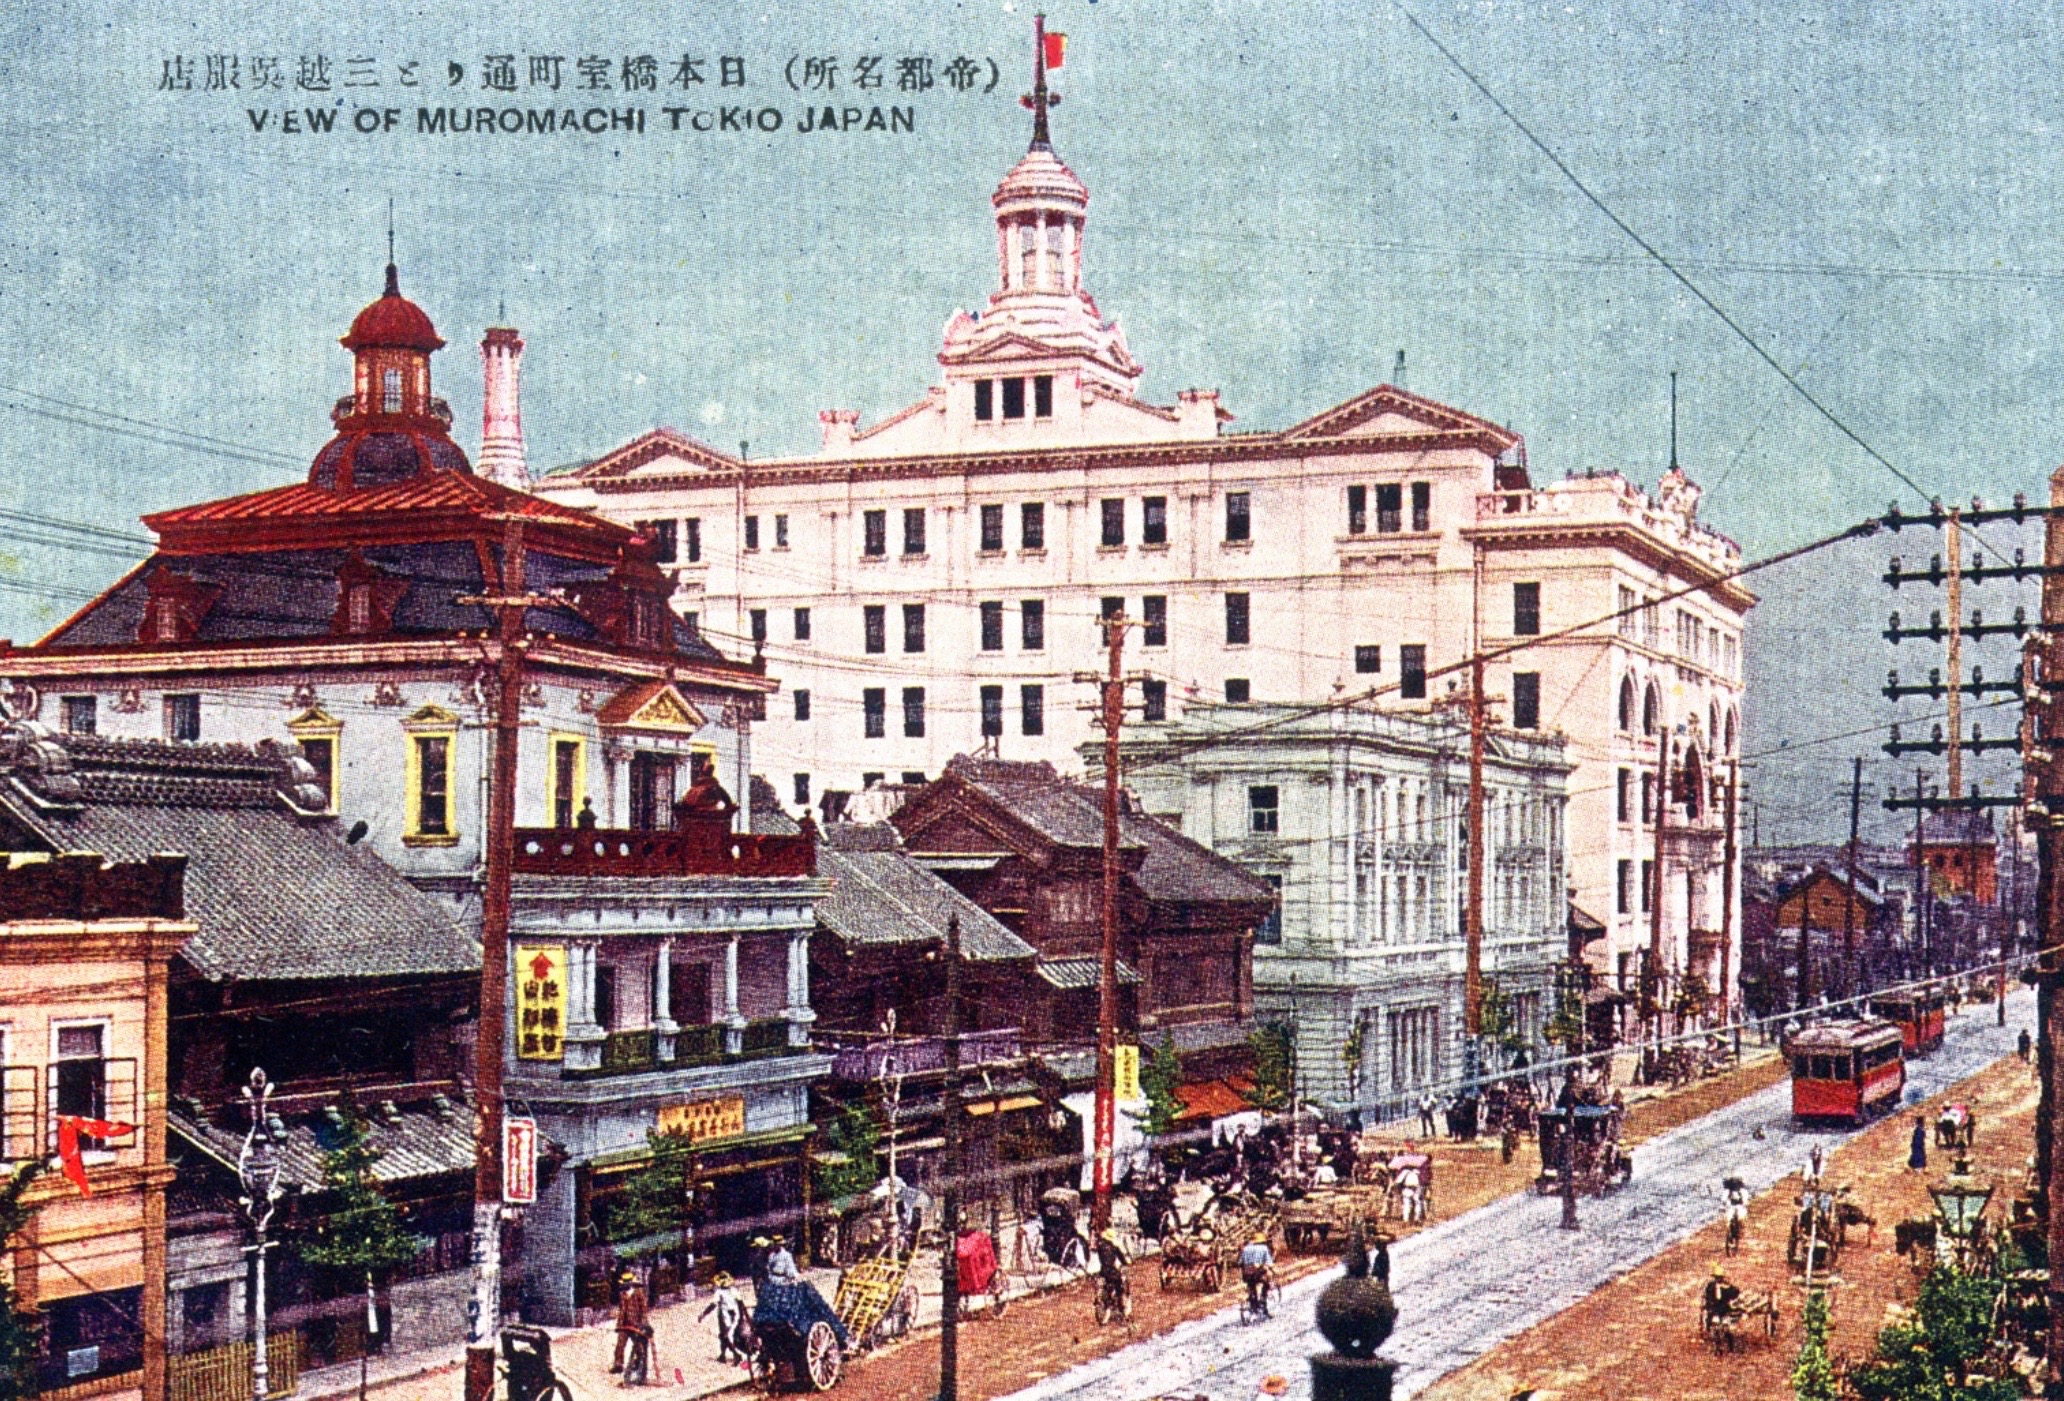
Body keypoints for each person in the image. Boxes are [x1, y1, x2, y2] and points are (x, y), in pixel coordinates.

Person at [699, 1271, 749, 1365]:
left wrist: (703, 1314)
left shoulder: (719, 1292)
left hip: (725, 1315)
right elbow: (741, 1303)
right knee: (723, 1335)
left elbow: (713, 1305)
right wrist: (744, 1316)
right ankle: (722, 1355)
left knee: (725, 1336)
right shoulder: (734, 1290)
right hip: (735, 1314)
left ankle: (736, 1354)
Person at [611, 1268, 652, 1381]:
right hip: (625, 1324)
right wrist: (619, 1324)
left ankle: (637, 1363)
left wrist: (642, 1324)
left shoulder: (638, 1294)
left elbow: (643, 1310)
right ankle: (618, 1364)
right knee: (620, 1344)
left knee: (638, 1346)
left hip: (636, 1324)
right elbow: (622, 1310)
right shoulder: (623, 1294)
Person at [1093, 1227, 1129, 1315]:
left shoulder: (1100, 1246)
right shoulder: (1114, 1248)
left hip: (1103, 1271)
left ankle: (1107, 1300)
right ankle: (1121, 1306)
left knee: (1105, 1285)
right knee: (1119, 1285)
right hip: (1111, 1271)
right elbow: (1122, 1259)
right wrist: (1125, 1263)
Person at [1239, 1233, 1275, 1313]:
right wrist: (1271, 1268)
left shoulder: (1245, 1249)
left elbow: (1240, 1262)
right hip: (1258, 1274)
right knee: (1266, 1283)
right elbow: (1269, 1263)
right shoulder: (1264, 1248)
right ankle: (1263, 1301)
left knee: (1252, 1287)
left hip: (1246, 1275)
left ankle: (1254, 1305)